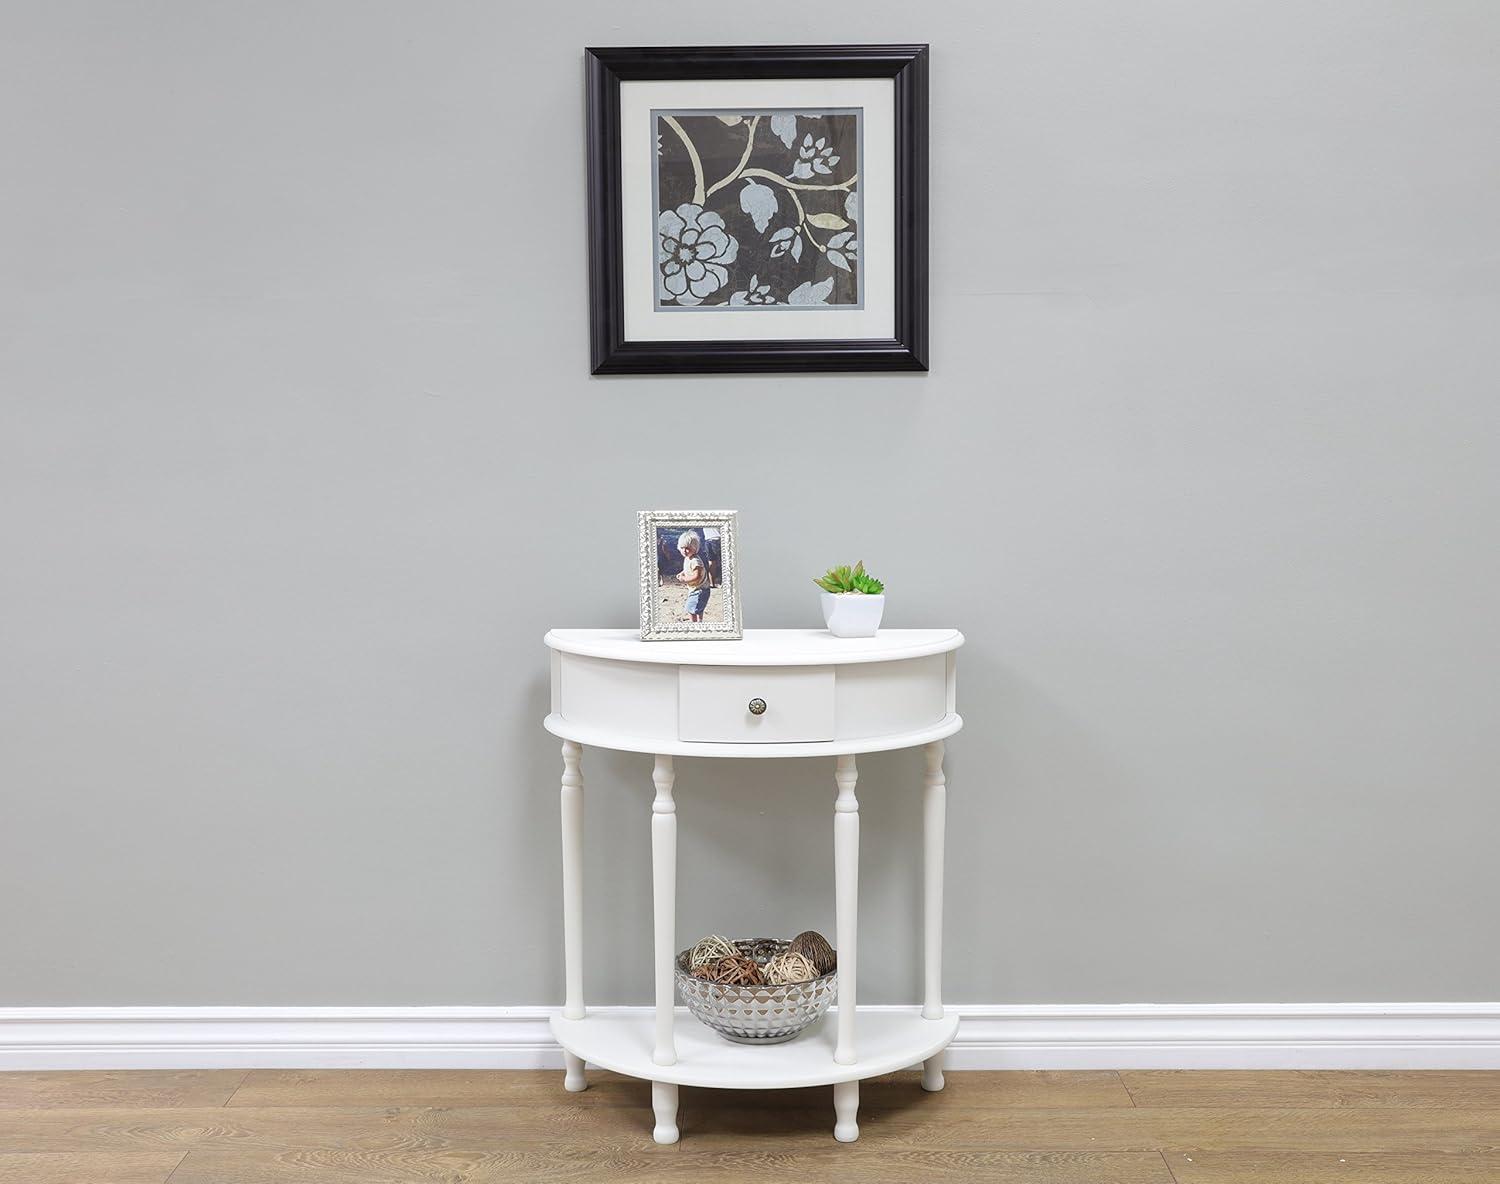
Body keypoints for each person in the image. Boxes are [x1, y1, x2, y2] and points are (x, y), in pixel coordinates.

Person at [674, 530, 711, 621]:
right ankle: (699, 622)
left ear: (695, 548)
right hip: (696, 589)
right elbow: (688, 568)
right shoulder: (688, 558)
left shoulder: (695, 561)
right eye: (682, 548)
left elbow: (697, 576)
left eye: (688, 548)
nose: (684, 551)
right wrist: (683, 573)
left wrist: (685, 579)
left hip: (700, 590)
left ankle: (694, 624)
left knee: (690, 609)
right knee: (697, 608)